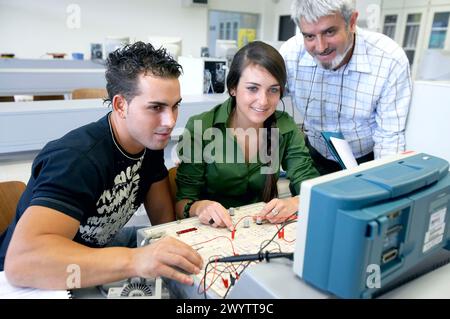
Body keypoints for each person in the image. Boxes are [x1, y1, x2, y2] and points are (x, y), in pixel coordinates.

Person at [1, 42, 202, 289]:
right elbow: (21, 264)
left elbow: (165, 225)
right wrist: (135, 260)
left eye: (175, 106)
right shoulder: (77, 158)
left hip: (97, 250)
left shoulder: (148, 142)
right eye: (156, 107)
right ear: (120, 105)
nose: (170, 121)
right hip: (40, 280)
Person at [175, 41, 319, 230]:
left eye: (273, 90)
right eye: (253, 88)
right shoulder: (201, 127)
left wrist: (296, 203)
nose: (263, 101)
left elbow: (309, 184)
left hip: (262, 230)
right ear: (233, 88)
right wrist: (201, 207)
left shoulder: (285, 126)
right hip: (213, 231)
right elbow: (182, 204)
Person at [280, 0, 412, 175]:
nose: (320, 47)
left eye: (329, 32)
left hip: (367, 161)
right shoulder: (291, 54)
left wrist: (384, 187)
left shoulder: (389, 59)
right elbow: (263, 105)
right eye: (309, 36)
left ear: (351, 22)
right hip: (314, 155)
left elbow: (389, 138)